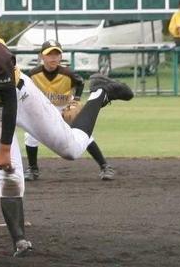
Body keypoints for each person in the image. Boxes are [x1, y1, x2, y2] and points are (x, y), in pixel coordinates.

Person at [0, 0, 133, 258]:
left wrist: (5, 148)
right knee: (9, 176)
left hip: (20, 98)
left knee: (71, 150)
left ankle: (100, 93)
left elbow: (9, 103)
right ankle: (20, 242)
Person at [24, 39, 115, 182]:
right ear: (42, 56)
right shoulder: (33, 74)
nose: (53, 58)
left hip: (64, 107)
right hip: (43, 108)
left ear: (61, 56)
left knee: (83, 135)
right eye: (49, 54)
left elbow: (80, 83)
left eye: (56, 54)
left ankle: (105, 166)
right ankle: (32, 169)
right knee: (31, 135)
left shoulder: (68, 74)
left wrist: (76, 100)